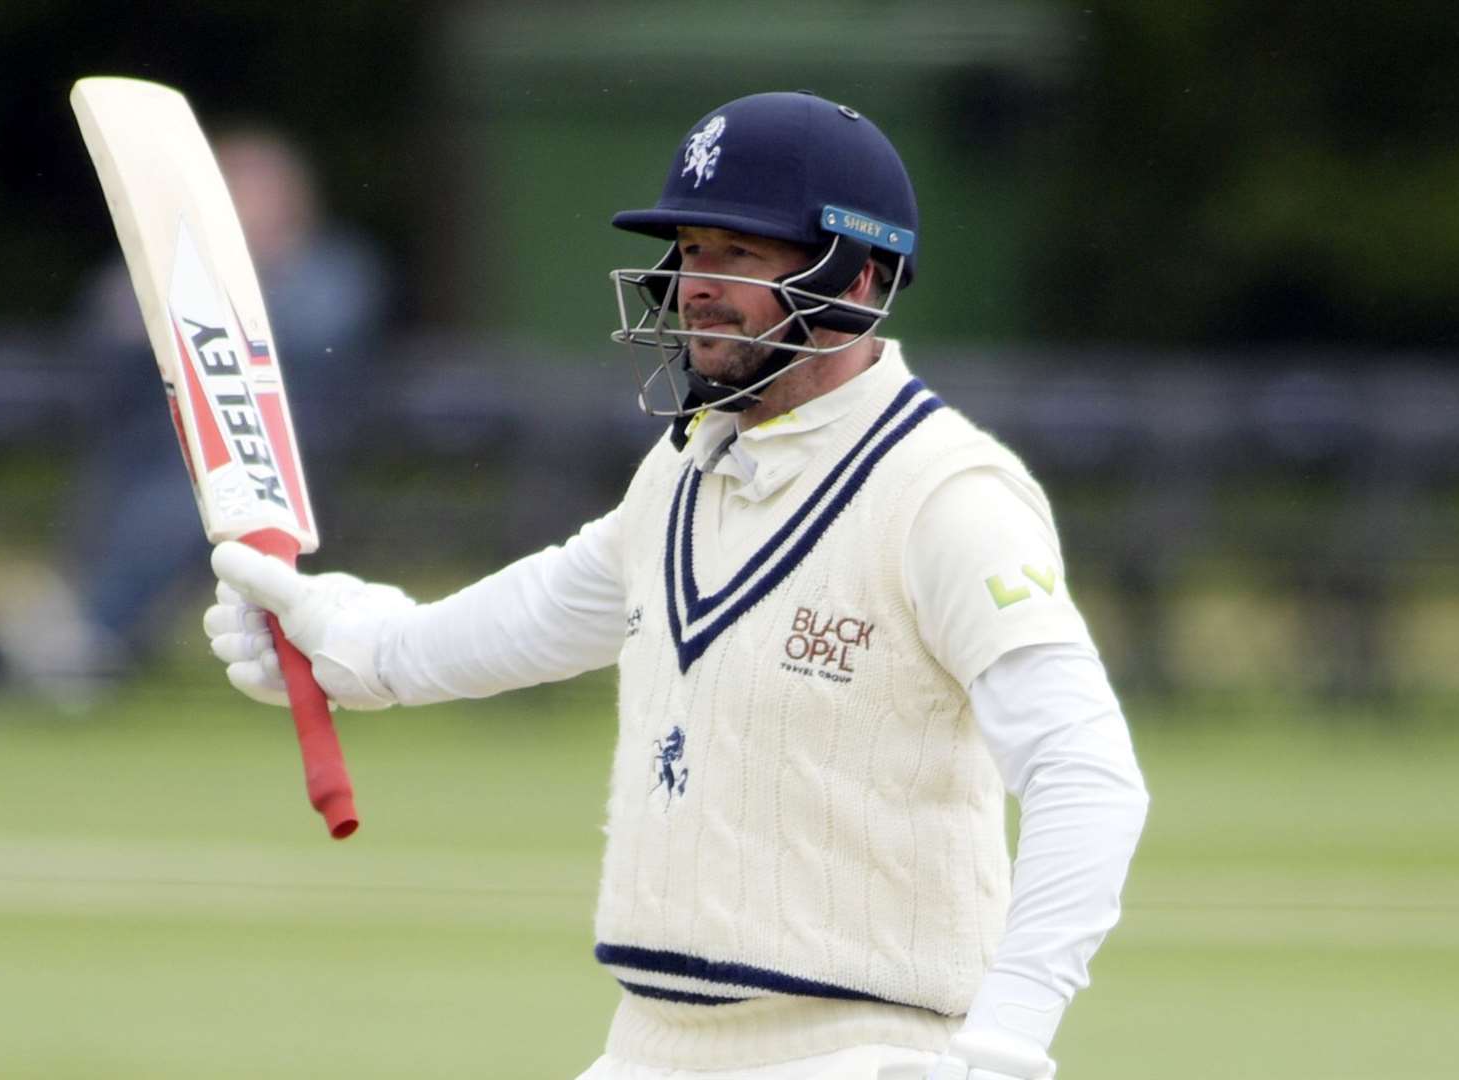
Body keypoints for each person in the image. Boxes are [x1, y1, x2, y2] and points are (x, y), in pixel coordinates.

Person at [204, 91, 1148, 1080]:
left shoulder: (943, 494)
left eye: (740, 256)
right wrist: (347, 641)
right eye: (692, 250)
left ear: (860, 276)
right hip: (651, 1048)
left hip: (866, 1051)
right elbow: (543, 610)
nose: (698, 285)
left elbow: (1085, 774)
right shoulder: (687, 470)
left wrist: (1004, 1046)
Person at [0, 127, 392, 701]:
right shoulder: (168, 266)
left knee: (177, 507)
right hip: (163, 443)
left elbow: (299, 344)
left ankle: (90, 633)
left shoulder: (332, 269)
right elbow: (101, 335)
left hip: (287, 456)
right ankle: (90, 630)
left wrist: (213, 298)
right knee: (135, 490)